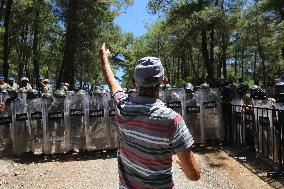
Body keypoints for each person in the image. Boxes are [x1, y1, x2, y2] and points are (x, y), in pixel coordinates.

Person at [99, 43, 200, 189]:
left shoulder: (122, 106)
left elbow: (111, 81)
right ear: (164, 80)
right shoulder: (172, 120)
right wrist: (182, 166)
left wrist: (104, 57)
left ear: (134, 83)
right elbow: (194, 175)